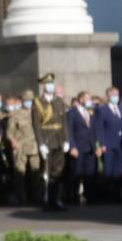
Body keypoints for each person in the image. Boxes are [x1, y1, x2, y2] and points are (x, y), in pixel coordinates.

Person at [33, 74, 70, 212]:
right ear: (43, 86)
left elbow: (64, 122)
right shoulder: (37, 102)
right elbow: (36, 124)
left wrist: (66, 140)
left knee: (57, 172)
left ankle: (56, 200)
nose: (51, 86)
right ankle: (45, 201)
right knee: (45, 174)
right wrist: (41, 143)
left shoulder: (59, 101)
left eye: (52, 84)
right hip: (47, 140)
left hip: (59, 140)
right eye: (48, 84)